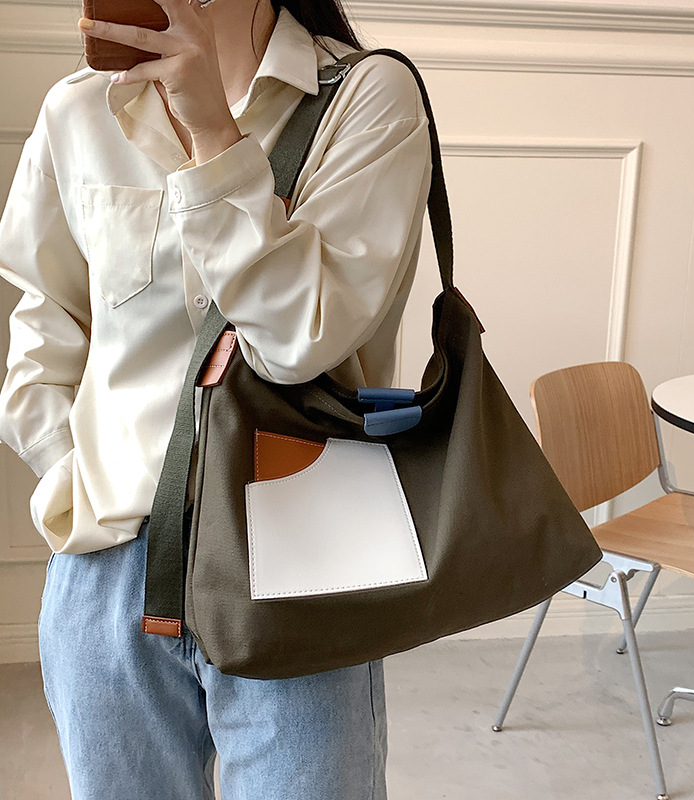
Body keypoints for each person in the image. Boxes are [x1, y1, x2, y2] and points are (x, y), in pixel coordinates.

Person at [0, 0, 432, 796]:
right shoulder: (78, 110)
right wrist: (69, 478)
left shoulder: (365, 96)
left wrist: (212, 135)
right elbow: (44, 323)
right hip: (111, 564)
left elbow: (297, 338)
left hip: (302, 561)